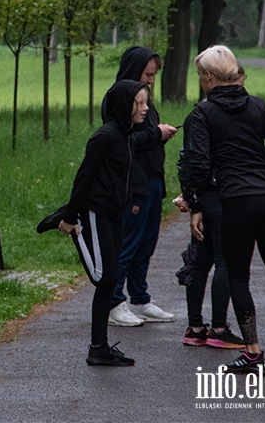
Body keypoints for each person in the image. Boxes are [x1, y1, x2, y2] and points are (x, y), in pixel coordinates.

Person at [186, 45, 265, 373]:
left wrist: (196, 202)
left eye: (201, 75)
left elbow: (198, 165)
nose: (200, 80)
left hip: (236, 203)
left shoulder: (203, 113)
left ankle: (252, 352)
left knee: (239, 279)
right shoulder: (258, 105)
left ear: (210, 77)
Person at [54, 79, 149, 366]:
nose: (145, 108)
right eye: (139, 103)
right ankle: (67, 224)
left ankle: (99, 347)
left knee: (109, 278)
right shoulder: (105, 137)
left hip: (114, 213)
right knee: (104, 278)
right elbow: (83, 177)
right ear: (124, 105)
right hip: (95, 211)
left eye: (146, 102)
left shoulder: (128, 135)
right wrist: (72, 216)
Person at [174, 67, 246, 350]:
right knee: (223, 260)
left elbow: (187, 161)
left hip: (205, 195)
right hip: (219, 194)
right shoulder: (215, 114)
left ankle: (195, 326)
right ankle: (218, 327)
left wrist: (192, 199)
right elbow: (195, 161)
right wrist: (194, 200)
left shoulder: (199, 113)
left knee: (200, 260)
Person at [106, 47, 177, 327]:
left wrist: (157, 133)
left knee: (146, 244)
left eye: (153, 76)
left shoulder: (145, 99)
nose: (150, 80)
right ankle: (114, 302)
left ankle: (140, 298)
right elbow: (122, 141)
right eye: (147, 74)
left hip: (153, 179)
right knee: (127, 243)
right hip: (133, 183)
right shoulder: (119, 98)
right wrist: (156, 133)